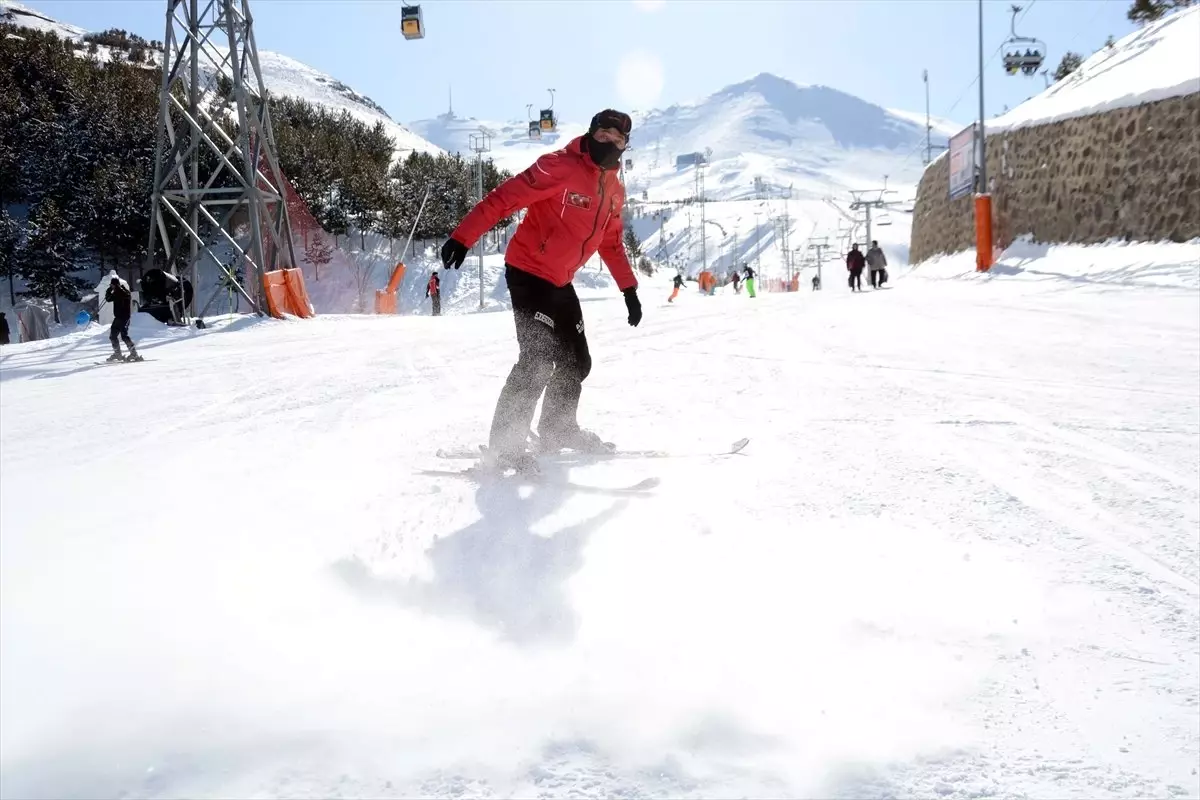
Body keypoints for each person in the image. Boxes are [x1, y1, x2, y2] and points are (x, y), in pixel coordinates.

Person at [439, 108, 642, 471]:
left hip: (561, 280)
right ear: (591, 133)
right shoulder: (559, 166)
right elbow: (506, 198)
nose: (609, 144)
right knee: (536, 361)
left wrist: (629, 290)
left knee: (576, 361)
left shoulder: (614, 189)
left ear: (626, 146)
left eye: (618, 140)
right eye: (603, 136)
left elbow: (610, 242)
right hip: (529, 271)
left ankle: (558, 428)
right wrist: (463, 236)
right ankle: (505, 445)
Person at [104, 271, 141, 362]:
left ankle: (134, 354)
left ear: (115, 285)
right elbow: (109, 299)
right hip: (118, 318)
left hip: (124, 318)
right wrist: (110, 290)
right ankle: (117, 354)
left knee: (124, 336)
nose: (111, 287)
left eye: (112, 285)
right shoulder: (118, 292)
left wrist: (112, 290)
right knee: (113, 336)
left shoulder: (122, 292)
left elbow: (113, 297)